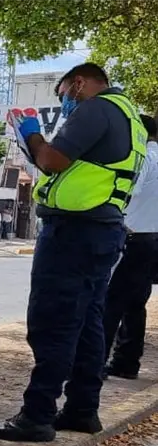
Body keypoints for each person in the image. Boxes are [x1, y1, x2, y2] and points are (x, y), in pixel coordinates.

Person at [0, 63, 148, 442]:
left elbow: (52, 160)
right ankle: (81, 410)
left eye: (62, 96)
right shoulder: (131, 119)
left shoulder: (97, 108)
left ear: (79, 84)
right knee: (89, 323)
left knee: (53, 321)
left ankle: (37, 415)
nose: (64, 105)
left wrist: (32, 134)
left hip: (74, 233)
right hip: (102, 231)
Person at [102, 114, 158, 380]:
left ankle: (95, 363)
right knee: (136, 304)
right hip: (153, 241)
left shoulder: (145, 157)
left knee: (111, 301)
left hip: (135, 238)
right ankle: (126, 363)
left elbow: (130, 190)